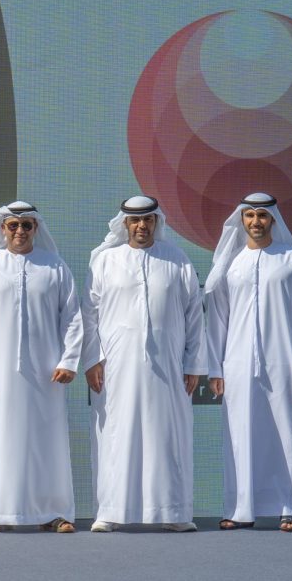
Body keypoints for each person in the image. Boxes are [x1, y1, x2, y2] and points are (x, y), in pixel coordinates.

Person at [81, 196, 205, 533]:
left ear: (156, 222)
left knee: (167, 435)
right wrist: (92, 359)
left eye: (147, 220)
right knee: (116, 434)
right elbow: (89, 315)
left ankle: (173, 512)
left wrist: (194, 363)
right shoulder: (105, 260)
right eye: (135, 220)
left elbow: (194, 315)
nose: (141, 226)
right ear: (124, 224)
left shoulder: (176, 259)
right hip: (116, 367)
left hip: (168, 366)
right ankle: (111, 511)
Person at [206, 193, 292, 533]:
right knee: (241, 435)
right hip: (238, 363)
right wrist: (215, 368)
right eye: (250, 215)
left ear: (273, 219)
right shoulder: (230, 265)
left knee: (291, 433)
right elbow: (217, 321)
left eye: (262, 215)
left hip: (286, 361)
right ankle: (241, 509)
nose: (255, 222)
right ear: (241, 220)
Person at [0, 201, 83, 533]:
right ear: (3, 229)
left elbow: (72, 317)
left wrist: (69, 360)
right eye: (13, 225)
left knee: (46, 442)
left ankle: (53, 513)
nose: (20, 231)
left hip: (47, 374)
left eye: (26, 225)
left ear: (36, 228)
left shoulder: (55, 266)